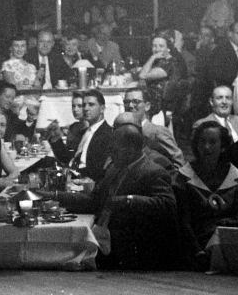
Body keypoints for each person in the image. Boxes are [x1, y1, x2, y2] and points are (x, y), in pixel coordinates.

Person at [58, 123, 184, 270]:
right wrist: (56, 196)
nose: (110, 153)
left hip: (130, 249)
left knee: (61, 258)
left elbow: (167, 204)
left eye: (114, 149)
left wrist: (128, 200)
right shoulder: (114, 169)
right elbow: (94, 200)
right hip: (105, 238)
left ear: (131, 149)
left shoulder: (153, 172)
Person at [174, 121, 238, 256]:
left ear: (223, 146)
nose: (206, 147)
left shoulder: (234, 175)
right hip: (195, 246)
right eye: (202, 142)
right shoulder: (184, 176)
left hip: (228, 243)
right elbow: (183, 222)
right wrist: (197, 251)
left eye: (212, 142)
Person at [53, 89, 113, 181]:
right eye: (84, 105)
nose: (85, 108)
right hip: (72, 178)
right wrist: (55, 137)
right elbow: (68, 159)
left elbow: (98, 170)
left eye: (91, 105)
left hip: (85, 184)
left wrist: (72, 173)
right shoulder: (84, 132)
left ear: (102, 109)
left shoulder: (107, 134)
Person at [122, 88, 185, 167]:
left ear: (147, 106)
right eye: (126, 102)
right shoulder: (123, 132)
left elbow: (179, 163)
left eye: (136, 102)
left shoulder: (157, 132)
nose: (130, 106)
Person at [139, 32, 189, 116]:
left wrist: (152, 57)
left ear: (168, 48)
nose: (157, 49)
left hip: (161, 107)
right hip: (155, 102)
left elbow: (142, 75)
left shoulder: (170, 63)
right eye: (154, 46)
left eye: (161, 46)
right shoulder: (160, 61)